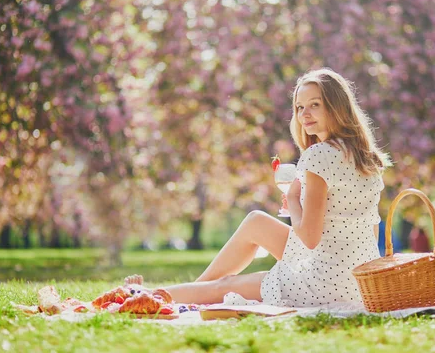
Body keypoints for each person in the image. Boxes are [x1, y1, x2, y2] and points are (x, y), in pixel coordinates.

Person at [158, 68, 391, 306]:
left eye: (315, 105)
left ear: (337, 107)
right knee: (256, 221)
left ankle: (145, 297)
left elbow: (310, 238)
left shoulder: (319, 155)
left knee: (225, 285)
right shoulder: (367, 157)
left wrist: (292, 198)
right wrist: (301, 207)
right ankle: (193, 290)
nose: (304, 115)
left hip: (325, 283)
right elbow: (366, 230)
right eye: (300, 107)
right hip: (360, 281)